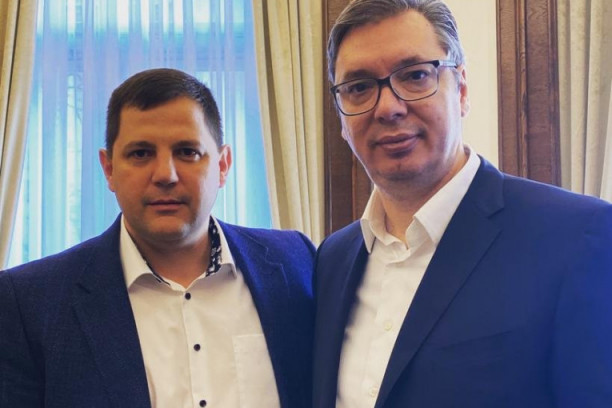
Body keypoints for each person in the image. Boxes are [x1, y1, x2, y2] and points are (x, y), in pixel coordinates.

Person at [312, 1, 612, 407]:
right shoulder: (333, 259)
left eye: (415, 75)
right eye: (359, 87)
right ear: (341, 117)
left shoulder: (577, 237)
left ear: (463, 90)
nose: (388, 107)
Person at [0, 68, 315, 408]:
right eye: (141, 153)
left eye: (187, 151)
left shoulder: (295, 263)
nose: (166, 175)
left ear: (223, 165)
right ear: (109, 169)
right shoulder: (29, 303)